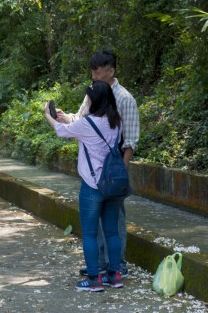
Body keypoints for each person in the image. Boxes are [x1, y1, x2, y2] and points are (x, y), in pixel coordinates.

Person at [57, 50, 139, 278]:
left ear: (110, 71)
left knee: (115, 219)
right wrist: (66, 118)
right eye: (92, 70)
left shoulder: (124, 98)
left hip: (113, 168)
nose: (93, 74)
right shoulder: (93, 93)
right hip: (92, 169)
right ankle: (103, 264)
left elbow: (130, 140)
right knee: (99, 219)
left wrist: (121, 170)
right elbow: (84, 121)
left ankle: (118, 264)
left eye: (97, 70)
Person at [45, 80, 124, 291]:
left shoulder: (88, 123)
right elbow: (72, 125)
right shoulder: (117, 122)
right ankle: (114, 276)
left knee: (89, 233)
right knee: (112, 232)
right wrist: (65, 117)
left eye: (88, 98)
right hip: (113, 185)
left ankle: (93, 280)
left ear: (94, 101)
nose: (86, 101)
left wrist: (48, 116)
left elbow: (62, 131)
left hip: (92, 185)